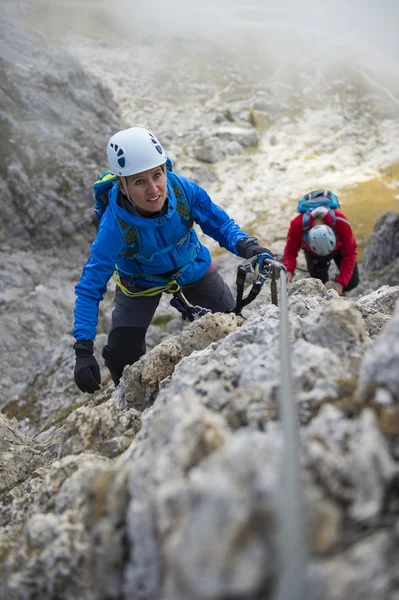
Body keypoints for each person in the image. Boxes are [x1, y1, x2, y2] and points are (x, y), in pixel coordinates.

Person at [73, 126, 274, 393]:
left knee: (231, 326)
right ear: (122, 186)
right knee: (122, 357)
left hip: (193, 268)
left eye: (157, 175)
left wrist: (247, 245)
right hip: (140, 284)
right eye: (139, 181)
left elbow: (221, 225)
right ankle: (133, 406)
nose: (154, 189)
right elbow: (90, 287)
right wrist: (83, 349)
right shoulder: (114, 228)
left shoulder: (183, 191)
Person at [283, 190, 359, 295]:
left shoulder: (341, 221)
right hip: (313, 254)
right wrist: (289, 270)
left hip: (338, 249)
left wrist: (341, 283)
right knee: (319, 288)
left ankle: (338, 287)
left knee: (352, 282)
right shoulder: (297, 225)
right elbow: (290, 251)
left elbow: (350, 252)